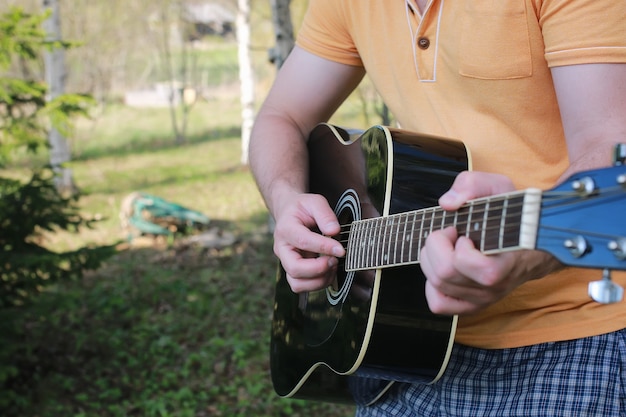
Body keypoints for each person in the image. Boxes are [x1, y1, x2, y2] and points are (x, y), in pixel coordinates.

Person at [249, 0, 626, 415]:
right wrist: (286, 203)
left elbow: (610, 155)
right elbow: (280, 116)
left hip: (576, 333)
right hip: (403, 338)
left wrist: (528, 254)